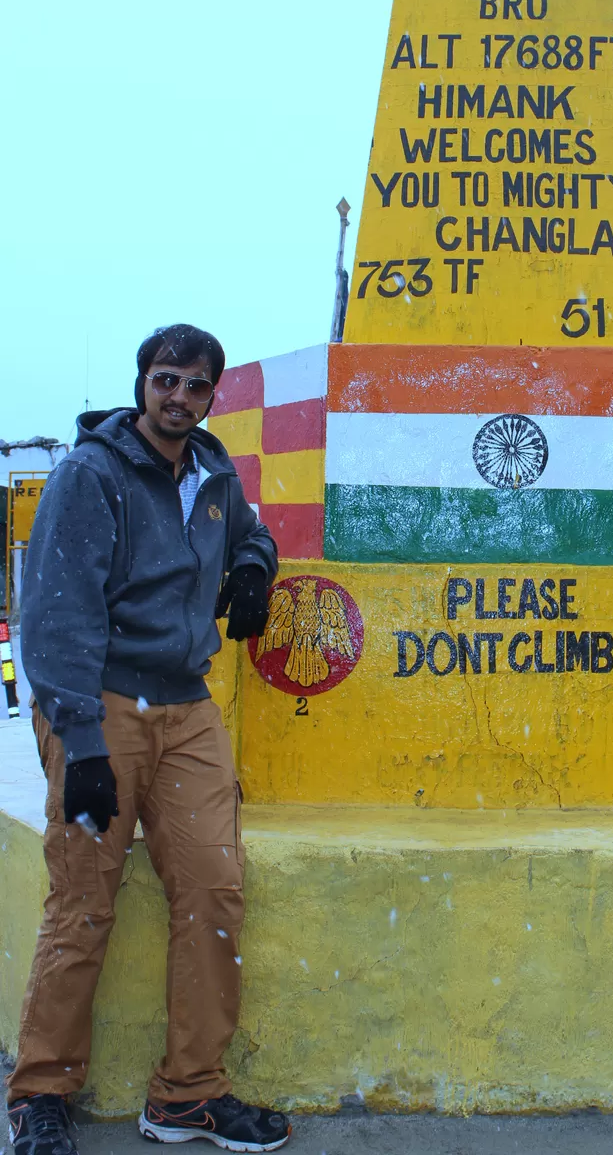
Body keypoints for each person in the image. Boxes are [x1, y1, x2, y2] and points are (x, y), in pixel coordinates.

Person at [6, 325, 290, 1155]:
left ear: (211, 396)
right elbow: (55, 614)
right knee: (83, 901)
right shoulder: (90, 474)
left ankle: (189, 1095)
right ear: (143, 382)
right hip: (100, 702)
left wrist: (253, 567)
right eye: (167, 379)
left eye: (196, 386)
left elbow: (251, 532)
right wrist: (83, 745)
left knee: (214, 893)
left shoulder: (212, 473)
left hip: (187, 706)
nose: (179, 397)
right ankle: (40, 1092)